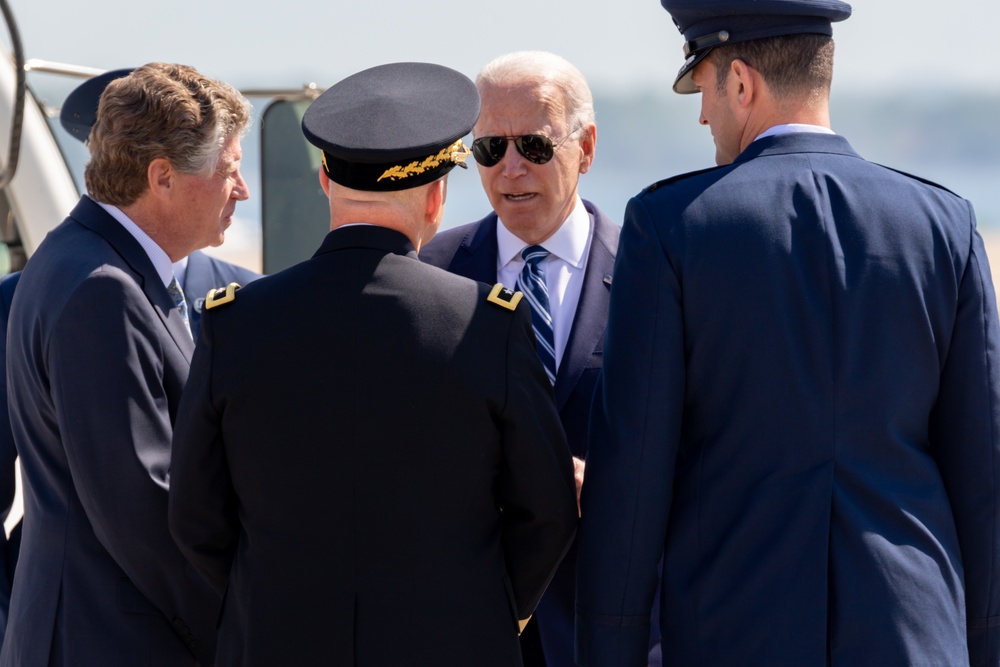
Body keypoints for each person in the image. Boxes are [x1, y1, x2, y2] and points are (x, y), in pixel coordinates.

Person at [575, 0, 1000, 665]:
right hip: (916, 641)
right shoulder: (946, 224)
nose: (703, 114)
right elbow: (984, 484)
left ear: (741, 83)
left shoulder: (670, 227)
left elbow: (630, 486)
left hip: (731, 638)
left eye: (705, 87)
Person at [168, 61, 579, 667]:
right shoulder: (488, 323)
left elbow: (196, 517)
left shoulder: (235, 322)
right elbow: (546, 511)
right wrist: (477, 610)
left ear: (326, 183)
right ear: (436, 196)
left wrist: (273, 602)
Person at [1, 62, 252, 666]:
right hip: (110, 639)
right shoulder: (101, 289)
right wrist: (246, 630)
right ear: (162, 176)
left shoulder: (85, 260)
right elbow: (145, 510)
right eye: (230, 170)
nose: (241, 191)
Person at [420, 51, 650, 667]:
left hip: (608, 623)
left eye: (535, 146)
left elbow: (697, 444)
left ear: (587, 147)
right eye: (489, 150)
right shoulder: (429, 273)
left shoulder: (651, 277)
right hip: (471, 626)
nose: (511, 168)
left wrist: (601, 483)